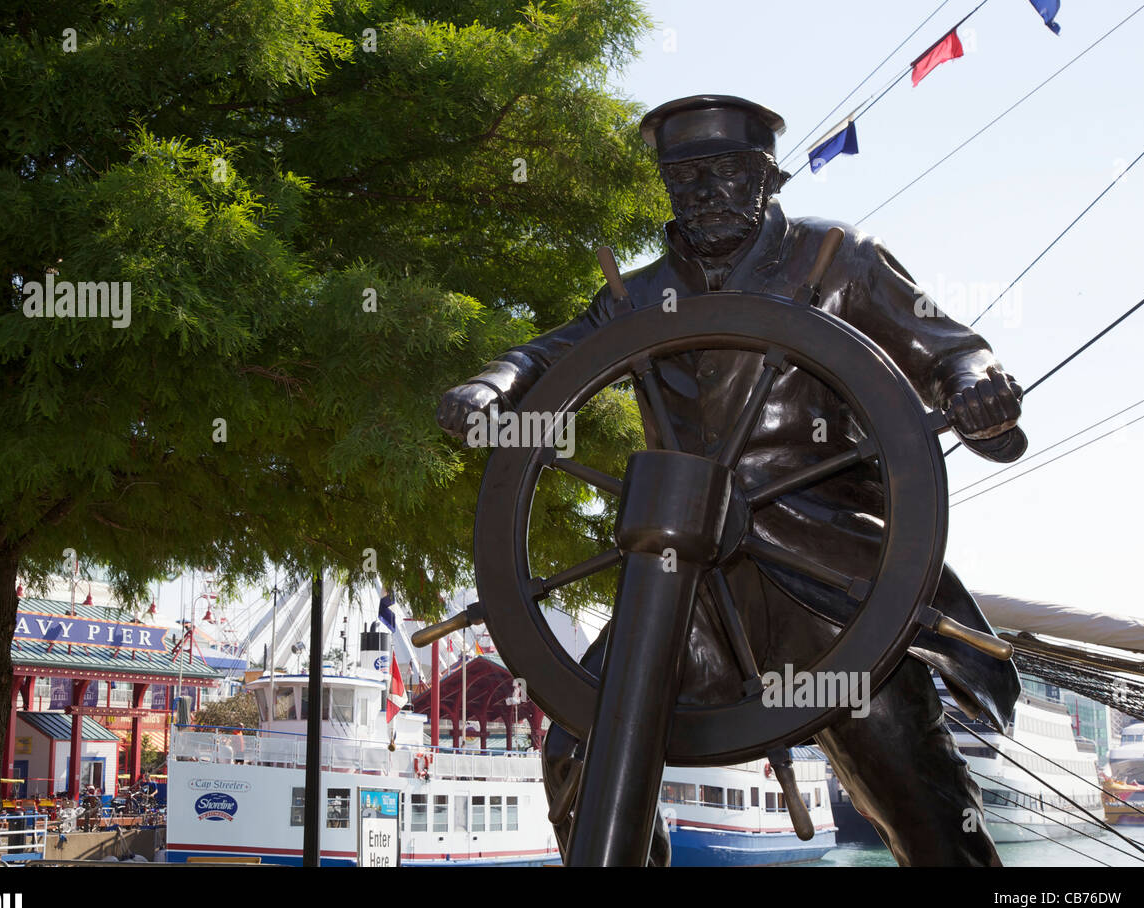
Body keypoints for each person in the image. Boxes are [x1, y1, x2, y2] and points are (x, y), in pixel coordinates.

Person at [437, 95, 1026, 866]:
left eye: (724, 175)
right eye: (685, 178)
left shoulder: (837, 259)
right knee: (582, 746)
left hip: (832, 589)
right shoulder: (637, 297)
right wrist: (493, 381)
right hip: (687, 596)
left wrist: (978, 388)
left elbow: (953, 351)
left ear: (767, 178)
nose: (703, 193)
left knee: (925, 815)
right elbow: (548, 356)